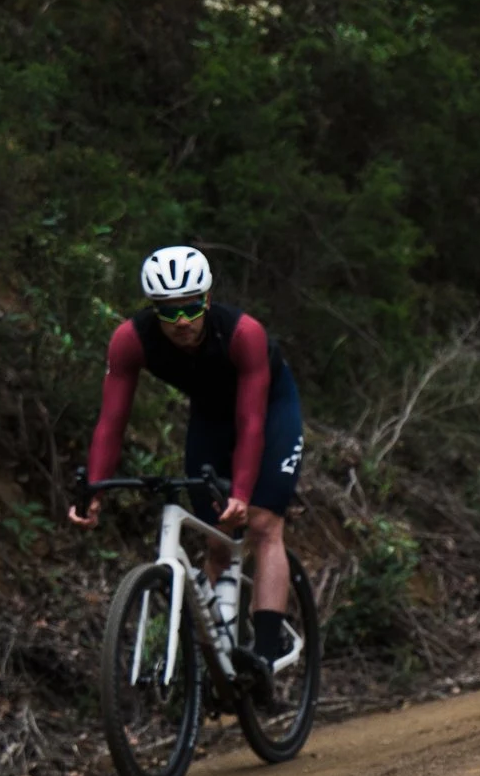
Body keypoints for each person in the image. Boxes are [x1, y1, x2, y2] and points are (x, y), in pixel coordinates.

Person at [68, 246, 306, 669]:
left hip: (269, 411)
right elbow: (111, 421)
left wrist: (241, 494)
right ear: (153, 308)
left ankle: (267, 651)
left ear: (207, 299)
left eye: (191, 308)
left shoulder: (242, 333)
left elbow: (251, 422)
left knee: (263, 524)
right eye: (168, 311)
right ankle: (210, 662)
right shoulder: (131, 340)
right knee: (218, 539)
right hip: (211, 418)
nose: (181, 322)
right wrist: (97, 489)